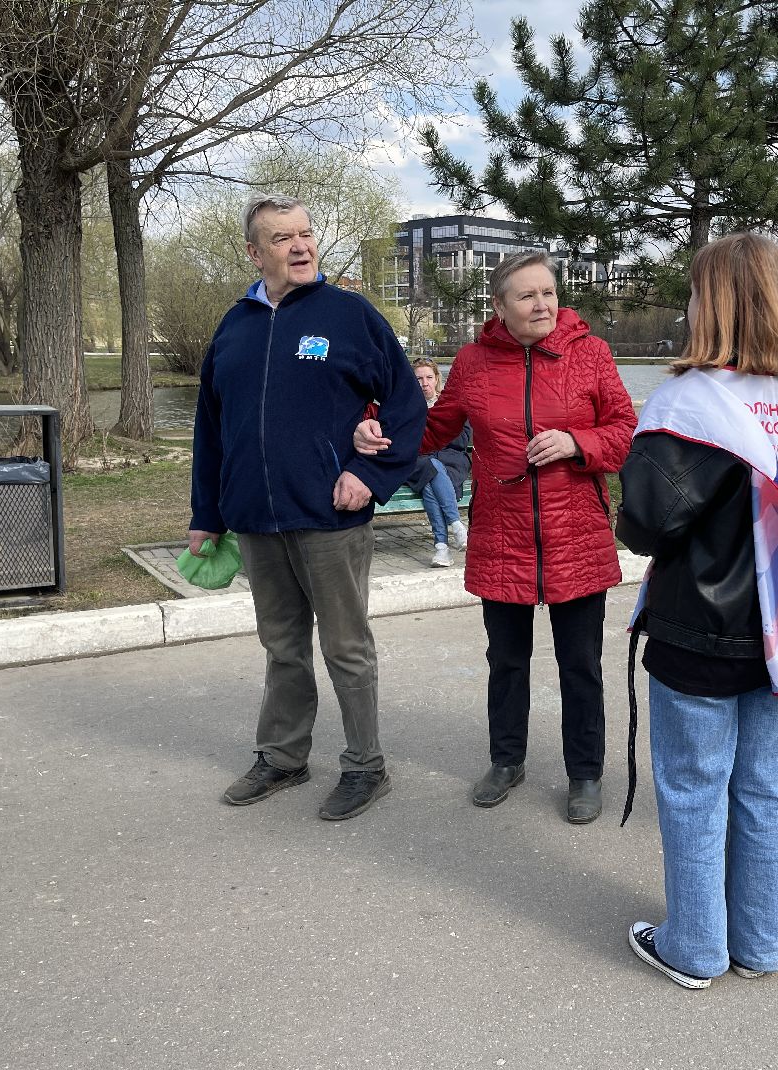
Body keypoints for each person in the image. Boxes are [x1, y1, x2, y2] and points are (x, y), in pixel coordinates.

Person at [615, 233, 778, 989]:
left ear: (714, 303)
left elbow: (646, 525)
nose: (689, 303)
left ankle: (695, 947)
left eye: (695, 290)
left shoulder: (690, 402)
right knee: (766, 783)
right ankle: (760, 943)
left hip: (700, 632)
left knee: (694, 788)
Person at [355, 250, 635, 824]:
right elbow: (436, 427)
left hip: (574, 535)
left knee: (579, 663)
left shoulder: (591, 354)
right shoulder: (475, 362)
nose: (542, 304)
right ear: (500, 305)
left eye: (549, 293)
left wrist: (578, 444)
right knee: (506, 660)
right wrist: (374, 423)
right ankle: (506, 761)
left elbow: (626, 431)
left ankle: (586, 773)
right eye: (528, 295)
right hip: (502, 536)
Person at [189, 193, 427, 822]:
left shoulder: (349, 316)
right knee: (282, 644)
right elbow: (211, 428)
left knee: (347, 646)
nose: (299, 246)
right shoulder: (234, 326)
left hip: (330, 515)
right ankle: (284, 756)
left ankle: (365, 766)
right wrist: (206, 513)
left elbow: (407, 406)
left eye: (305, 234)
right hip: (255, 518)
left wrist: (368, 474)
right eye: (281, 237)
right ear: (253, 252)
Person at [404, 358, 471, 568]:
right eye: (418, 379)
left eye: (428, 377)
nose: (424, 383)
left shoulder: (450, 405)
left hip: (451, 461)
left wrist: (436, 433)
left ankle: (441, 547)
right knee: (430, 468)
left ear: (437, 379)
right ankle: (456, 524)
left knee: (431, 480)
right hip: (418, 463)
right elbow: (405, 442)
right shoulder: (407, 408)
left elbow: (463, 439)